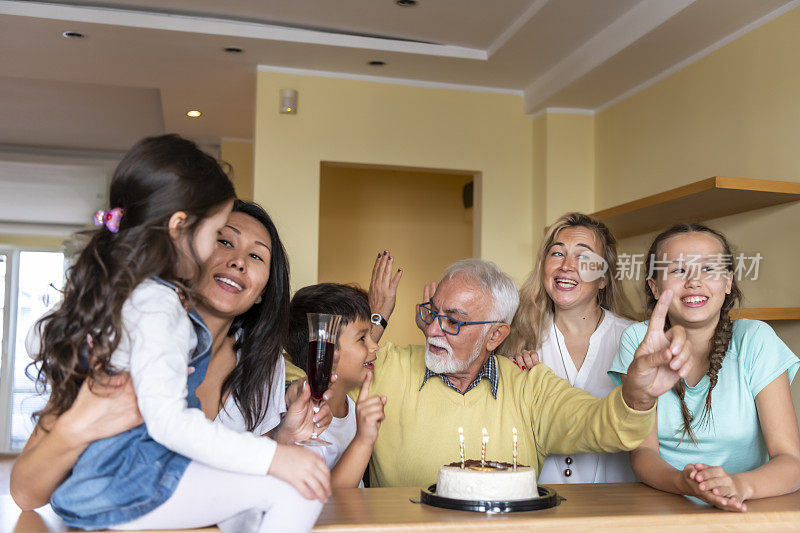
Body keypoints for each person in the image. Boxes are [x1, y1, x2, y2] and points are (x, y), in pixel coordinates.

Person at [23, 135, 328, 532]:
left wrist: (281, 443)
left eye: (255, 256)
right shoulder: (158, 306)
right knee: (297, 492)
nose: (236, 262)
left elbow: (38, 339)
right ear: (180, 228)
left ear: (265, 290)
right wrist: (276, 459)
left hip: (96, 491)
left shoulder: (126, 297)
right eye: (220, 236)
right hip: (132, 487)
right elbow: (169, 424)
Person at [287, 254, 695, 488]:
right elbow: (305, 368)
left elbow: (600, 425)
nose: (431, 329)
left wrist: (638, 395)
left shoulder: (529, 386)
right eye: (432, 313)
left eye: (454, 321)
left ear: (497, 334)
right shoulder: (386, 367)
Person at [609, 223, 800, 512]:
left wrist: (737, 486)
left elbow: (790, 460)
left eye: (708, 269)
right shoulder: (638, 340)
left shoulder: (756, 339)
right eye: (678, 270)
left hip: (748, 509)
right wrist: (682, 483)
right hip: (664, 507)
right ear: (654, 285)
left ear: (728, 281)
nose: (694, 281)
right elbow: (643, 453)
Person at [500, 212, 638, 483]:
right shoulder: (515, 339)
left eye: (584, 257)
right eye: (557, 254)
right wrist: (512, 376)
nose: (566, 266)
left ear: (603, 278)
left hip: (617, 509)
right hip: (540, 506)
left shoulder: (633, 339)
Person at [285, 283, 387, 488]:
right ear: (325, 352)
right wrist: (363, 440)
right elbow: (327, 502)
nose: (375, 345)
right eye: (362, 338)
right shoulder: (303, 419)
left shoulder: (352, 407)